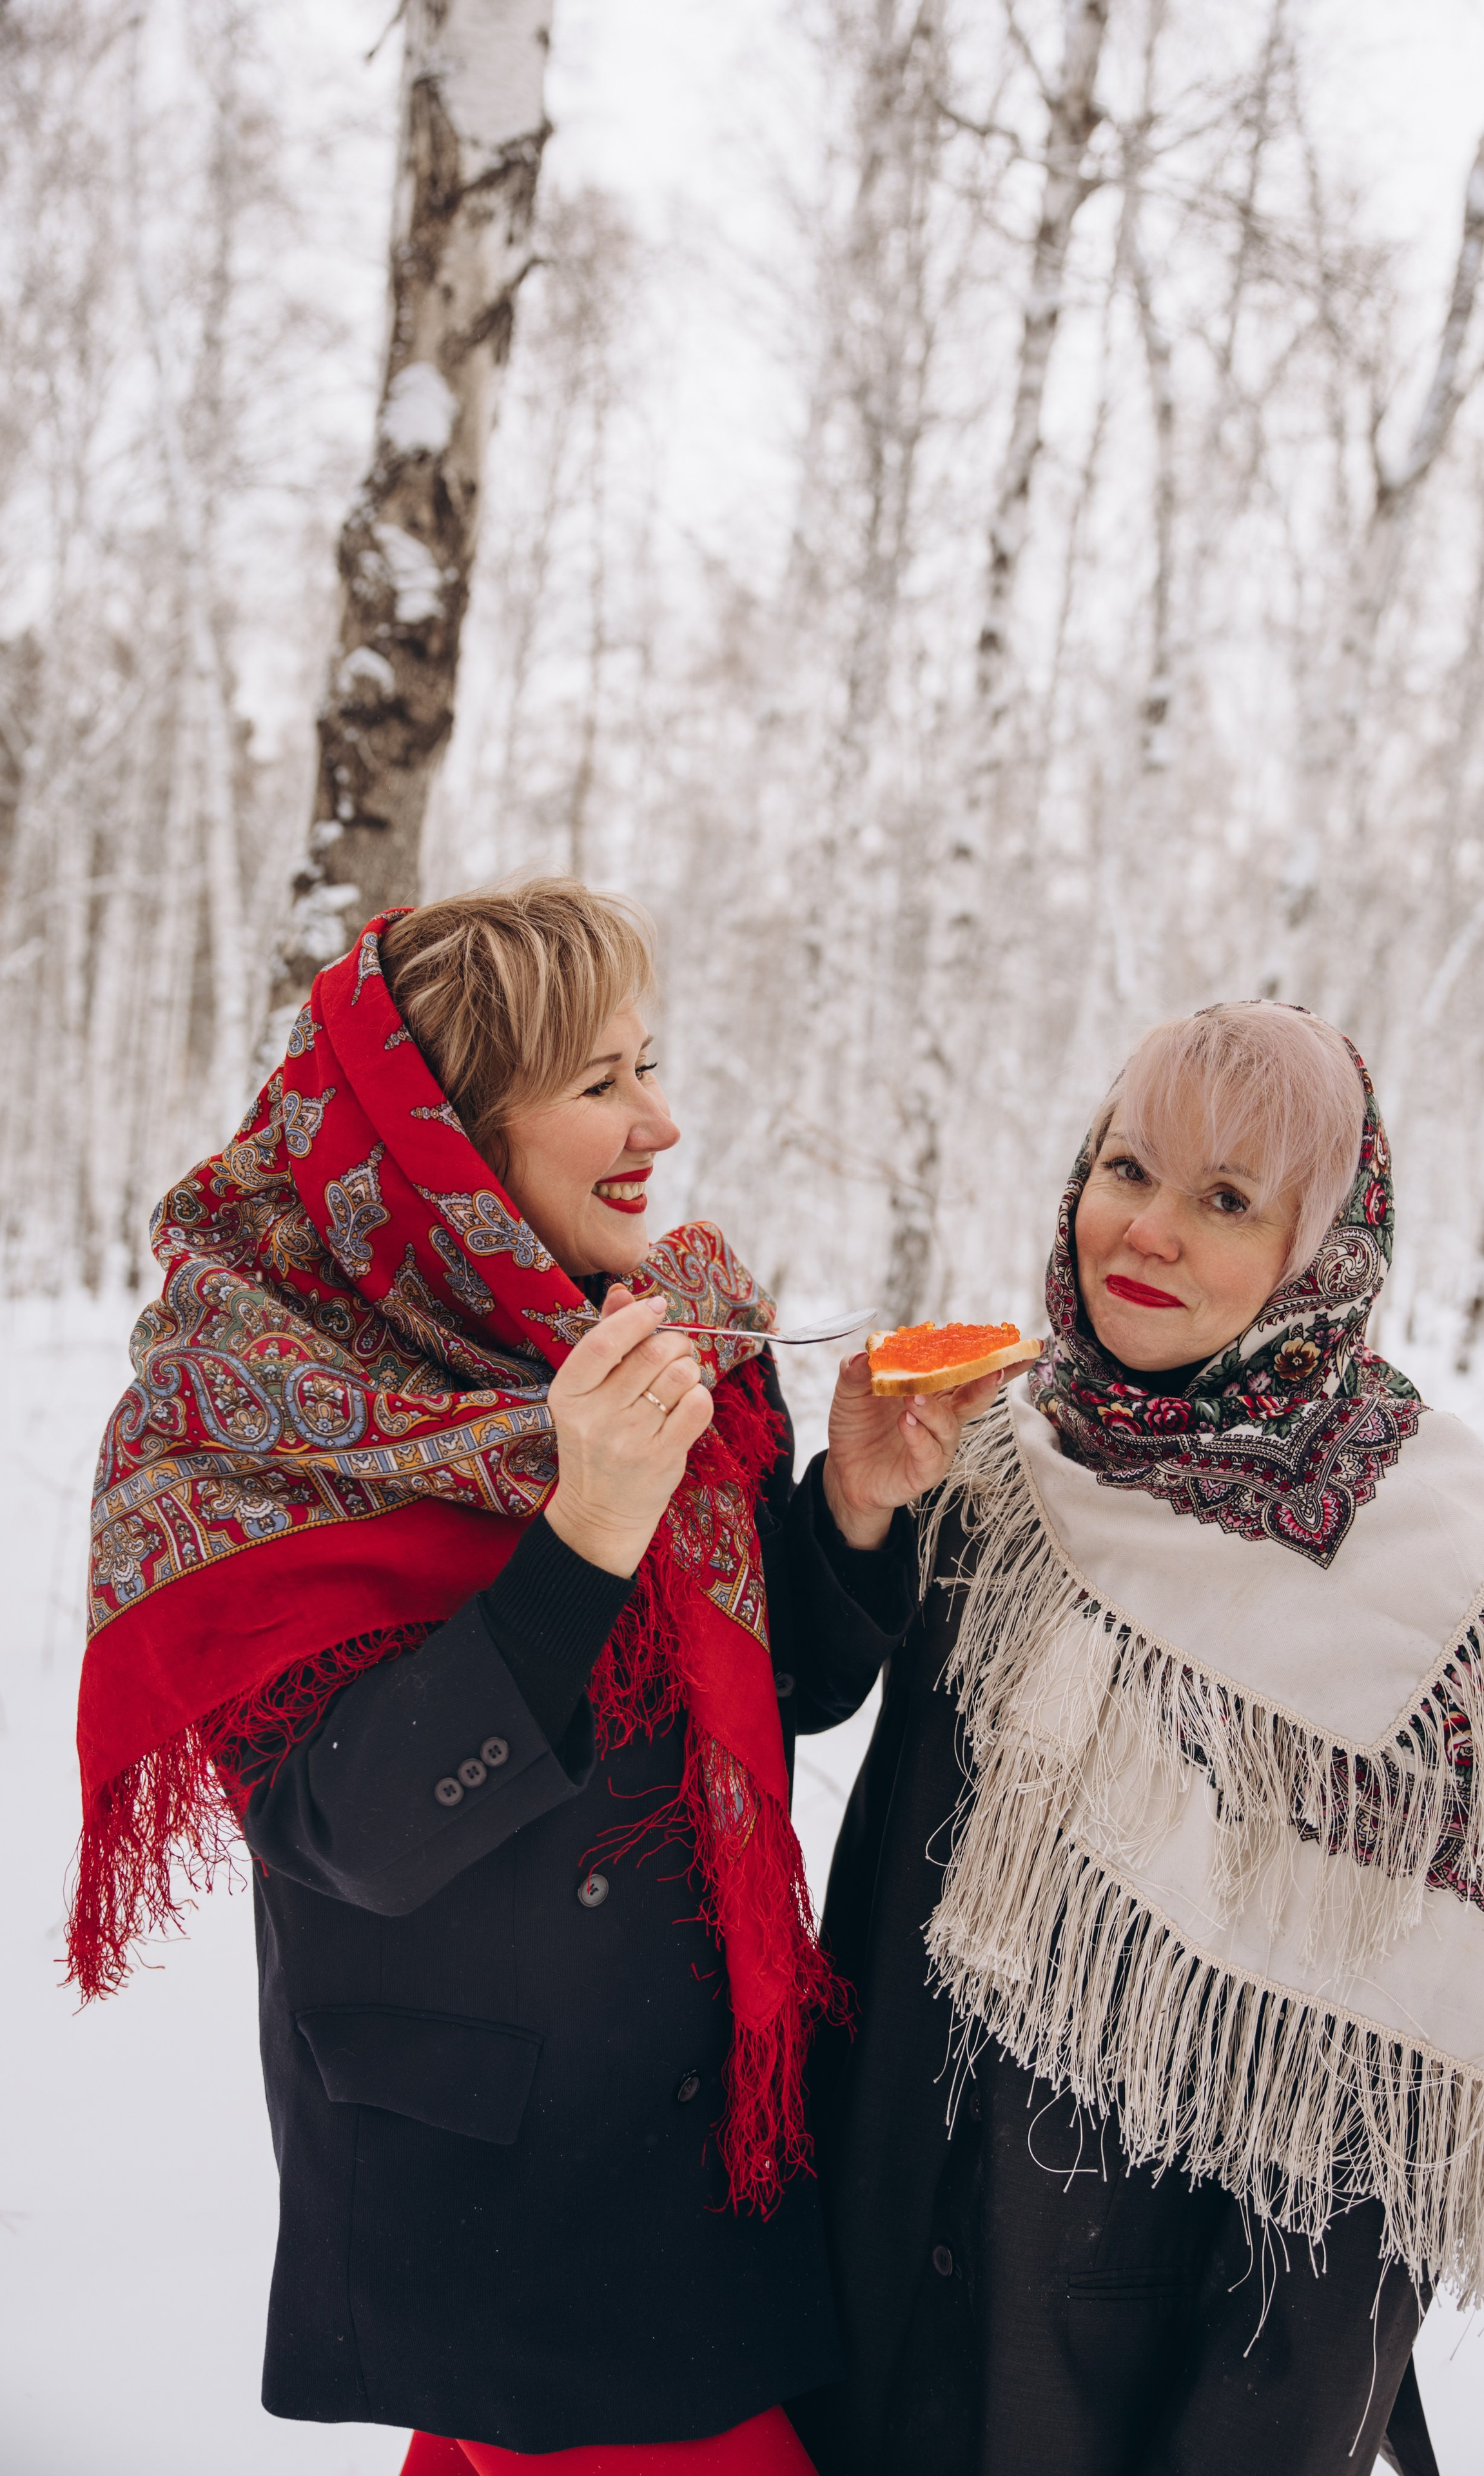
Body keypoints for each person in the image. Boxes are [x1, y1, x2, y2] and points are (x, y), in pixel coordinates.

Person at [70, 880, 991, 2471]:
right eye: (599, 1083)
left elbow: (765, 1701)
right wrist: (581, 1537)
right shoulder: (265, 1405)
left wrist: (848, 1505)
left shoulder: (667, 1332)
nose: (663, 1119)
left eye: (651, 1061)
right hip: (513, 2203)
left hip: (721, 2147)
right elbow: (344, 1828)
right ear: (440, 1140)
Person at [792, 1002, 1484, 2476]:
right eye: (1125, 1168)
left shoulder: (1436, 1594)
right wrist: (850, 1508)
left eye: (1224, 1199)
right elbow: (789, 1693)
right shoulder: (998, 1465)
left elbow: (1378, 2132)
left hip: (1121, 2384)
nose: (1143, 1230)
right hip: (862, 2309)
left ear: (1322, 1250)